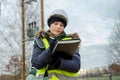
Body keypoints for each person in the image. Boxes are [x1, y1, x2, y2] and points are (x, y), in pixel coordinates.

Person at [26, 9, 81, 80]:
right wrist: (49, 50)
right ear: (50, 24)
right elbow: (36, 63)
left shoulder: (71, 41)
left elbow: (76, 66)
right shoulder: (40, 40)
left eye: (61, 25)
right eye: (55, 23)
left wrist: (59, 63)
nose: (58, 27)